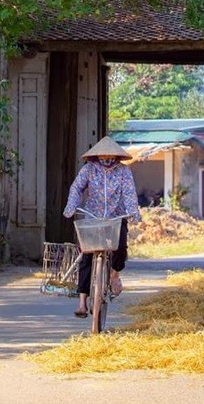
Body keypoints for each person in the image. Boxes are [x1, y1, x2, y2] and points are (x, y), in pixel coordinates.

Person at [63, 136, 141, 318]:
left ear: (116, 157)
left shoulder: (123, 172)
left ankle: (114, 274)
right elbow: (76, 188)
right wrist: (71, 206)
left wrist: (133, 212)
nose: (107, 160)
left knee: (120, 247)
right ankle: (82, 301)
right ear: (96, 156)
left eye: (111, 157)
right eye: (103, 157)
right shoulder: (88, 170)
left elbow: (129, 193)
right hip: (92, 218)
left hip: (116, 217)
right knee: (86, 256)